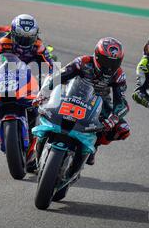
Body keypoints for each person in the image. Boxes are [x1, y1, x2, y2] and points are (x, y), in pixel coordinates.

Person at [0, 14, 56, 172]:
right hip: (6, 76)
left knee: (37, 110)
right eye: (21, 38)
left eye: (29, 38)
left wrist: (53, 84)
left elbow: (52, 67)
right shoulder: (2, 43)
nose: (25, 43)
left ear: (35, 36)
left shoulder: (39, 46)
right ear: (13, 34)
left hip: (30, 76)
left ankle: (32, 152)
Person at [35, 37, 131, 167]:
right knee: (40, 106)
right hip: (72, 93)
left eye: (114, 63)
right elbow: (58, 76)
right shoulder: (83, 62)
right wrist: (44, 93)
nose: (109, 67)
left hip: (100, 101)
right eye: (105, 61)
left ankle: (93, 146)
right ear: (97, 56)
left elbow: (122, 102)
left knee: (122, 128)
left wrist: (114, 117)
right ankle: (40, 138)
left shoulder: (119, 75)